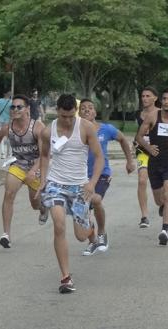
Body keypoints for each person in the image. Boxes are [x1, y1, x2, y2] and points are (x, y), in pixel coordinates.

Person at [37, 94, 104, 293]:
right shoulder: (48, 131)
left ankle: (90, 229)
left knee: (81, 236)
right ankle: (66, 277)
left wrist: (92, 183)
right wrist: (43, 181)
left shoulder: (86, 128)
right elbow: (44, 155)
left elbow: (99, 157)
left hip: (79, 187)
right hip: (56, 184)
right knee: (58, 224)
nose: (67, 120)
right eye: (63, 116)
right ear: (57, 111)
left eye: (70, 116)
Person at [0, 94, 47, 248]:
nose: (15, 109)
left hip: (35, 166)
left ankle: (43, 208)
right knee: (8, 193)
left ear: (27, 110)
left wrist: (34, 170)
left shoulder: (38, 128)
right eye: (13, 107)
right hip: (18, 165)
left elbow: (45, 154)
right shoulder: (8, 127)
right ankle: (6, 234)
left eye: (19, 107)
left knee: (34, 203)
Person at [78, 98, 135, 255]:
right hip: (80, 176)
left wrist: (129, 161)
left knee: (95, 199)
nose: (87, 110)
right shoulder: (75, 132)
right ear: (78, 113)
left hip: (102, 174)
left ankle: (102, 232)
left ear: (95, 112)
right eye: (83, 108)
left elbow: (123, 139)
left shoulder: (106, 129)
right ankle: (93, 241)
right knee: (82, 210)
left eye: (90, 107)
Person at [135, 88, 168, 246]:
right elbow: (139, 136)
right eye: (164, 99)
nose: (166, 101)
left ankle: (164, 230)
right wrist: (149, 147)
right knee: (160, 200)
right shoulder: (152, 116)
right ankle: (163, 206)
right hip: (154, 163)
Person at [134, 86, 159, 228]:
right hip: (143, 151)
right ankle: (144, 216)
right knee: (142, 180)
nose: (144, 98)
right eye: (143, 96)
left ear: (155, 98)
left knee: (160, 188)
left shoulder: (162, 113)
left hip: (158, 152)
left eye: (148, 96)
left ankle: (162, 203)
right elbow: (139, 133)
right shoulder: (139, 114)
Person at [0, 91, 13, 159]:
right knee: (8, 137)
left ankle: (3, 154)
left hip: (0, 120)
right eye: (9, 93)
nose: (10, 94)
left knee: (1, 137)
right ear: (6, 93)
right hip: (8, 121)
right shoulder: (11, 102)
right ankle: (9, 153)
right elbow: (11, 113)